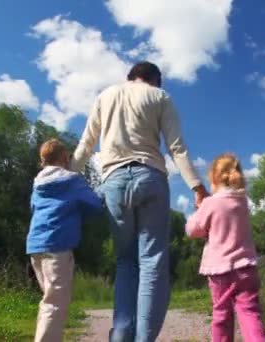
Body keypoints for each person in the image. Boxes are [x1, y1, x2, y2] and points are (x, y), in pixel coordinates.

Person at [70, 61, 208, 341]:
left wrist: (66, 178)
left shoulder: (105, 96)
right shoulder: (159, 97)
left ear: (131, 76)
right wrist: (197, 186)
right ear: (154, 79)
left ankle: (120, 334)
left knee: (125, 261)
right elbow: (176, 146)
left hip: (114, 182)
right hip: (150, 178)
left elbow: (86, 144)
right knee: (152, 261)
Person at [27, 139, 103, 342]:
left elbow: (34, 209)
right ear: (63, 158)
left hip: (35, 246)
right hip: (57, 246)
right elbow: (95, 204)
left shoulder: (37, 184)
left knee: (49, 300)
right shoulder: (72, 180)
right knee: (55, 304)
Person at [186, 154, 265, 342]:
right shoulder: (242, 202)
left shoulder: (210, 203)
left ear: (214, 179)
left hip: (220, 272)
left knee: (222, 315)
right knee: (249, 313)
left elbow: (193, 230)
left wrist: (199, 209)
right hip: (247, 269)